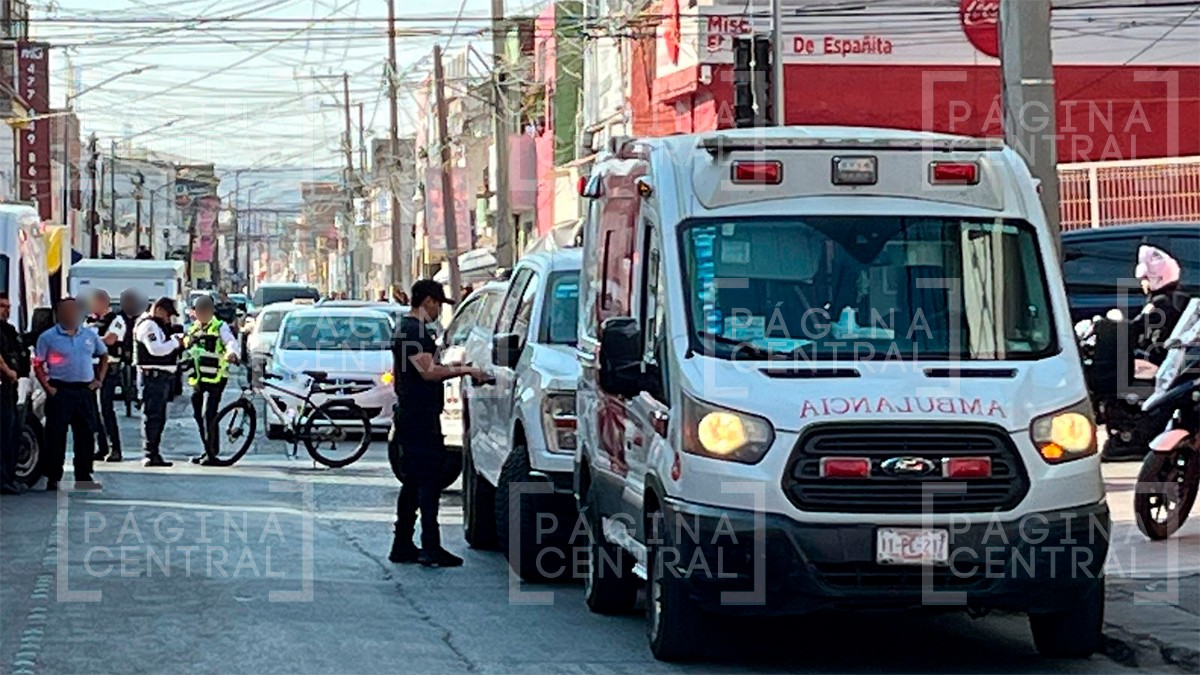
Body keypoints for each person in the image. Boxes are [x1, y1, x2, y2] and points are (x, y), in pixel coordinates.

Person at [389, 279, 489, 567]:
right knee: (428, 480)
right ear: (428, 301)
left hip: (414, 413)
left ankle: (403, 543)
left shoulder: (406, 328)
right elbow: (428, 372)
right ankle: (430, 545)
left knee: (412, 481)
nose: (437, 311)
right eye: (437, 304)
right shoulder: (413, 331)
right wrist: (466, 369)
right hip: (419, 417)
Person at [34, 297, 107, 491]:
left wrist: (98, 379)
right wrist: (48, 388)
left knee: (85, 435)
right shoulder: (48, 337)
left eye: (74, 311)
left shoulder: (89, 335)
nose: (71, 315)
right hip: (60, 391)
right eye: (67, 311)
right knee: (55, 435)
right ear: (59, 314)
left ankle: (83, 476)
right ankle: (53, 477)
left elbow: (103, 355)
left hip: (84, 391)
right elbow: (38, 364)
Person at [185, 295, 239, 464]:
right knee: (197, 415)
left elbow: (231, 342)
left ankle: (212, 452)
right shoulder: (193, 328)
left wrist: (231, 353)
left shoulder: (219, 326)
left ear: (212, 311)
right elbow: (186, 344)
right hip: (199, 377)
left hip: (216, 377)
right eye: (199, 311)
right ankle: (206, 449)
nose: (203, 314)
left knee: (210, 414)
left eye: (206, 310)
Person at [134, 297, 184, 468]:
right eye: (167, 315)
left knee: (158, 417)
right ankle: (150, 453)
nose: (168, 319)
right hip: (152, 378)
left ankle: (154, 453)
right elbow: (156, 350)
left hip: (160, 378)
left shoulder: (156, 325)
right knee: (152, 416)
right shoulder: (148, 326)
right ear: (159, 310)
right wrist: (175, 342)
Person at [84, 289, 130, 462]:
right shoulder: (90, 321)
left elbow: (110, 339)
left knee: (106, 409)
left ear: (104, 303)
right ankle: (102, 447)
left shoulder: (116, 320)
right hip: (90, 368)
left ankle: (115, 448)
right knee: (93, 411)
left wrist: (90, 340)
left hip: (109, 368)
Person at [1132, 245, 1191, 366]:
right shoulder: (1177, 297)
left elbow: (1139, 324)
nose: (1142, 283)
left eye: (1146, 278)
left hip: (1161, 359)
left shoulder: (1160, 302)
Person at [0, 293, 29, 495]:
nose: (6, 310)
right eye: (2, 306)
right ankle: (2, 480)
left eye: (8, 306)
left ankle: (8, 477)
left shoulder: (8, 330)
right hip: (2, 385)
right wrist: (9, 372)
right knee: (3, 434)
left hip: (9, 388)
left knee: (12, 433)